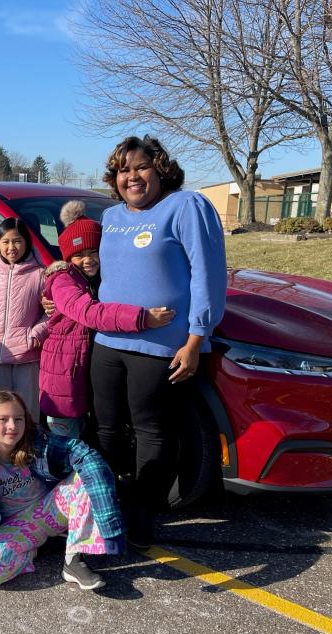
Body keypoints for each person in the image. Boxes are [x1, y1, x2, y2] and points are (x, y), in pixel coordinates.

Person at [92, 135, 227, 547]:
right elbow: (99, 273)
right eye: (123, 170)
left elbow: (208, 274)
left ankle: (142, 514)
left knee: (154, 433)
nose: (131, 177)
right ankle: (107, 505)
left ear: (160, 169)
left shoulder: (186, 207)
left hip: (161, 347)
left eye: (140, 167)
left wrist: (196, 338)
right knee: (107, 430)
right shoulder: (111, 216)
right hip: (108, 342)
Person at [0, 391, 125, 591]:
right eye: (3, 419)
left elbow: (80, 452)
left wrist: (109, 519)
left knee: (87, 475)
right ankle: (37, 547)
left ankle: (73, 560)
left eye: (18, 419)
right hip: (16, 525)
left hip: (51, 508)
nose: (12, 426)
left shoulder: (36, 443)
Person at [40, 202, 174, 438]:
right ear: (69, 257)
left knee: (90, 438)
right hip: (64, 375)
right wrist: (143, 318)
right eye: (79, 255)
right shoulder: (63, 280)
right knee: (65, 446)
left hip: (84, 373)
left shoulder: (100, 279)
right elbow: (89, 313)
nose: (88, 260)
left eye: (94, 252)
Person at [0, 218, 48, 421]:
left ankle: (30, 450)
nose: (11, 247)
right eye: (5, 242)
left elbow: (50, 312)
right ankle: (1, 451)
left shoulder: (40, 274)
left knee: (27, 410)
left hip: (27, 353)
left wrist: (36, 333)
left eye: (17, 241)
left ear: (26, 242)